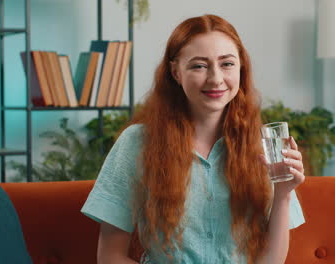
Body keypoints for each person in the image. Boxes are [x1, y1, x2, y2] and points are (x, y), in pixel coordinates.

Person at [81, 14, 306, 264]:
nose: (216, 79)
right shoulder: (137, 142)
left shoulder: (262, 147)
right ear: (176, 72)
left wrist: (283, 193)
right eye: (199, 66)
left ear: (241, 67)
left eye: (227, 64)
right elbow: (110, 257)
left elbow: (272, 261)